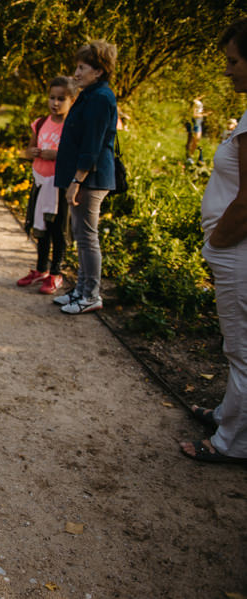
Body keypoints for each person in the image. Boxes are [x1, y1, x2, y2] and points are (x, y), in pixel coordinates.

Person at [180, 19, 247, 464]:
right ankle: (228, 415)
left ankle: (231, 443)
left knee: (241, 349)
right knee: (235, 344)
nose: (227, 70)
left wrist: (218, 242)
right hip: (233, 251)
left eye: (234, 61)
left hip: (238, 252)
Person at [53, 40, 118, 314]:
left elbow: (92, 145)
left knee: (87, 236)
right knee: (80, 234)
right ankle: (80, 289)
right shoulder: (90, 94)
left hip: (90, 179)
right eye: (77, 67)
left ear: (99, 71)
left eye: (82, 68)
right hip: (82, 178)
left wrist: (76, 182)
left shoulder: (101, 98)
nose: (76, 73)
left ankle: (91, 294)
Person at [18, 76, 77, 295]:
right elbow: (28, 149)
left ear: (72, 100)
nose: (55, 103)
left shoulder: (72, 126)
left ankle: (56, 272)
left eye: (61, 99)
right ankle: (41, 268)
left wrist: (57, 155)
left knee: (58, 230)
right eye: (52, 97)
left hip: (60, 185)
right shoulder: (41, 123)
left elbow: (76, 156)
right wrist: (31, 152)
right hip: (41, 183)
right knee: (40, 228)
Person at [186, 95, 207, 163]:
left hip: (199, 121)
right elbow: (194, 115)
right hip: (196, 121)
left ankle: (191, 155)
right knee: (195, 139)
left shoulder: (199, 102)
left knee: (197, 140)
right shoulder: (195, 103)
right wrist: (204, 115)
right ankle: (190, 156)